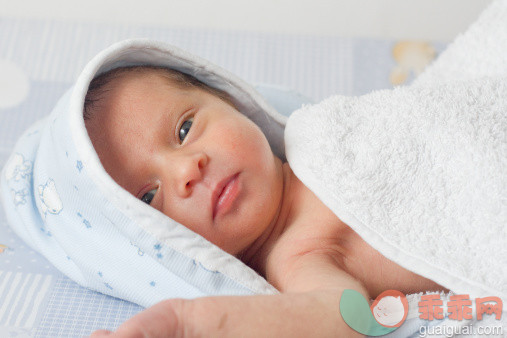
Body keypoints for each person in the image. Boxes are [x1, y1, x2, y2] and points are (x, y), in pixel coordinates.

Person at [84, 65, 445, 337]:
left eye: (184, 129)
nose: (186, 171)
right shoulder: (294, 256)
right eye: (148, 197)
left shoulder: (320, 131)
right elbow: (344, 319)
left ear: (232, 103)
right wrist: (187, 323)